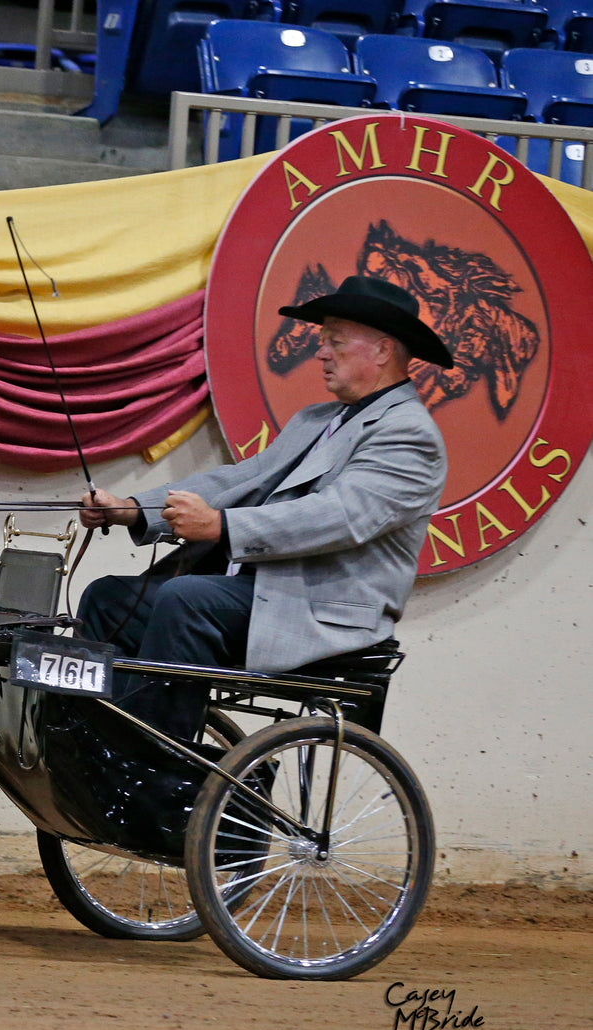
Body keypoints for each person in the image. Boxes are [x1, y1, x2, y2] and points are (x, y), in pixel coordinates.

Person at [77, 275, 451, 741]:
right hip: (263, 591)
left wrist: (221, 527)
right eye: (322, 341)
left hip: (323, 610)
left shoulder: (409, 434)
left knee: (186, 599)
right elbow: (237, 479)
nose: (321, 353)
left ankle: (151, 767)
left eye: (334, 341)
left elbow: (338, 516)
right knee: (108, 599)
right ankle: (91, 741)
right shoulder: (316, 420)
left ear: (382, 350)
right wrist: (134, 508)